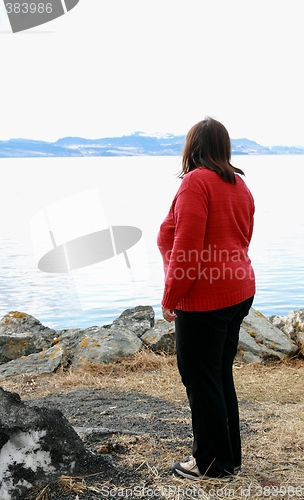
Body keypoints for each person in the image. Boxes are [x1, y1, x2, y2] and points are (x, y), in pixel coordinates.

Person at [157, 117, 255, 480]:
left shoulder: (196, 183)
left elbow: (187, 248)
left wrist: (171, 295)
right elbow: (241, 238)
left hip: (207, 296)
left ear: (192, 147)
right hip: (238, 289)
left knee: (200, 377)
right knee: (216, 373)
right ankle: (229, 457)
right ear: (223, 147)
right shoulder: (239, 184)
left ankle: (211, 464)